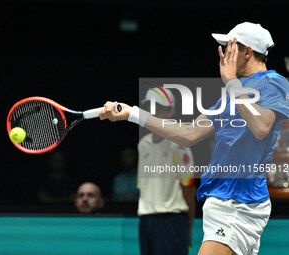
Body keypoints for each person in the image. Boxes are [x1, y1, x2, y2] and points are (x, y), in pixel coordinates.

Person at [99, 22, 289, 255]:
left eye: (228, 47)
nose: (223, 54)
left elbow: (261, 127)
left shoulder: (274, 83)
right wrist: (132, 113)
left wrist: (231, 83)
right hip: (220, 201)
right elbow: (188, 134)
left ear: (247, 52)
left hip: (239, 202)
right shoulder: (231, 94)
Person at [138, 88, 196, 255]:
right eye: (149, 107)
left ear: (171, 111)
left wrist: (188, 230)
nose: (152, 112)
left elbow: (189, 191)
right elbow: (143, 188)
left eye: (158, 107)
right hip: (146, 221)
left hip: (172, 221)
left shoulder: (179, 145)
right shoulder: (143, 145)